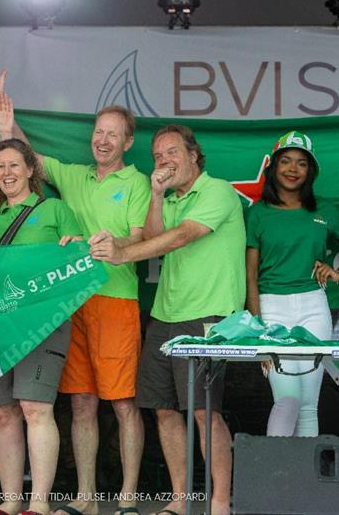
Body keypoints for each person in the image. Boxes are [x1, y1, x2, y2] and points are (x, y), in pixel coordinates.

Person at [0, 72, 149, 515]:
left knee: (124, 403)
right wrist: (5, 123)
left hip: (115, 300)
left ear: (128, 142)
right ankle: (87, 499)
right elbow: (25, 158)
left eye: (113, 135)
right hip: (67, 305)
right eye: (99, 132)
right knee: (81, 403)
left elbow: (138, 239)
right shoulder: (71, 175)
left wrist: (107, 247)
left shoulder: (137, 183)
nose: (103, 141)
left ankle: (129, 499)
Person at [90, 125, 245, 515]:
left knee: (204, 411)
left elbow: (181, 237)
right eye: (158, 157)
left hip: (207, 315)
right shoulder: (171, 198)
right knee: (163, 408)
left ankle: (220, 502)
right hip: (165, 315)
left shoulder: (218, 190)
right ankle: (180, 500)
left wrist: (124, 256)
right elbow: (151, 235)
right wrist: (155, 196)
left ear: (194, 154)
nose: (164, 162)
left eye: (172, 153)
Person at [0, 139, 83, 515]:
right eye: (0, 167)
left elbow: (80, 259)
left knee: (35, 407)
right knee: (3, 412)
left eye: (15, 165)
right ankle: (11, 502)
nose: (7, 173)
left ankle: (39, 505)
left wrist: (73, 243)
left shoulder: (55, 209)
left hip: (42, 322)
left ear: (31, 169)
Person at [245, 131, 339, 437]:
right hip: (271, 309)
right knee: (287, 400)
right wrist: (258, 332)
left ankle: (304, 482)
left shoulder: (323, 209)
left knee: (308, 404)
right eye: (286, 161)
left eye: (301, 163)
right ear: (274, 168)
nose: (293, 169)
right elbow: (250, 276)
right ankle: (279, 477)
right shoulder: (258, 213)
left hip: (313, 308)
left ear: (310, 171)